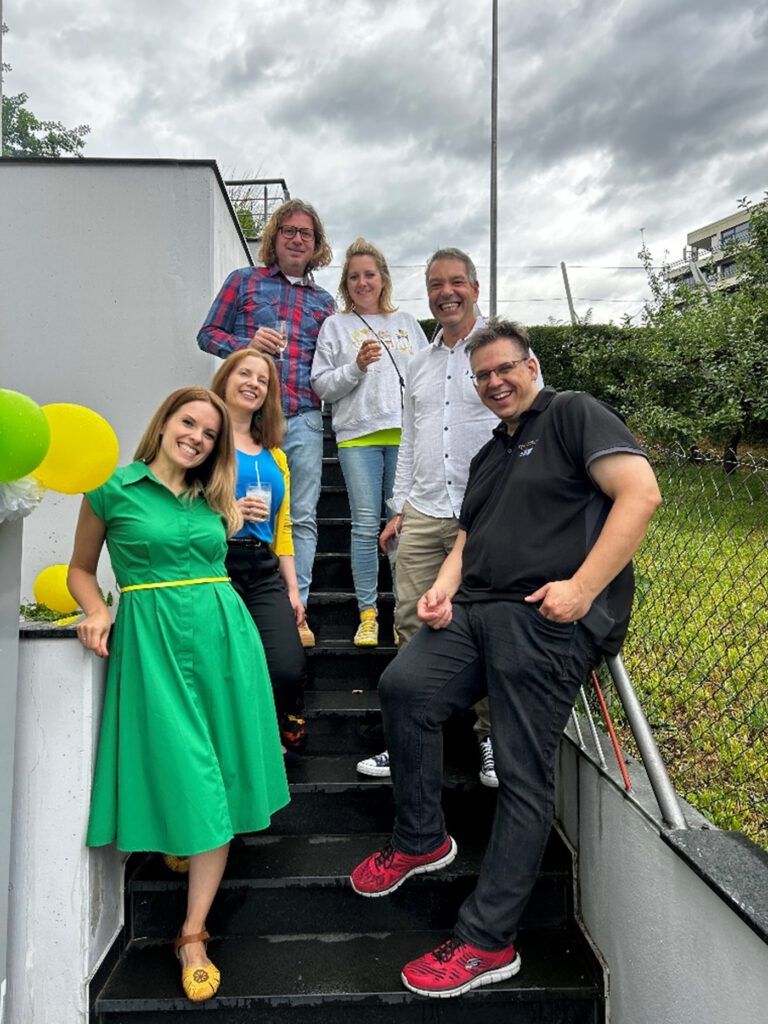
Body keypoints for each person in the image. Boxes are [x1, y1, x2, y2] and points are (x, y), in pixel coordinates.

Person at [349, 320, 662, 998]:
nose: (494, 382)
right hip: (475, 613)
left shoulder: (573, 413)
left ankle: (488, 941)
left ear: (531, 367)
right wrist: (441, 590)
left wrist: (583, 589)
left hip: (546, 617)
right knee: (405, 688)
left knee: (521, 770)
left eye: (504, 369)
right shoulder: (491, 453)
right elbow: (468, 540)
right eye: (482, 375)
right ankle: (422, 838)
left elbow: (640, 494)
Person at [68, 387, 289, 1004]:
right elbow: (81, 568)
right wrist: (96, 611)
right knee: (192, 771)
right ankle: (186, 876)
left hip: (223, 639)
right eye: (188, 422)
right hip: (154, 644)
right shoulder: (111, 489)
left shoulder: (214, 496)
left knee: (217, 768)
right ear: (164, 422)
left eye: (210, 433)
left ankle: (191, 933)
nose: (197, 437)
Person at [355, 247, 542, 786]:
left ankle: (491, 738)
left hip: (488, 513)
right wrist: (398, 507)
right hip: (425, 509)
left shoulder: (505, 354)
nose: (446, 293)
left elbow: (534, 421)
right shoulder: (420, 361)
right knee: (411, 620)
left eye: (456, 282)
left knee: (487, 624)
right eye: (436, 285)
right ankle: (412, 735)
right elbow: (411, 439)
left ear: (475, 289)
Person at [197, 198, 335, 647]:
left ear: (316, 244)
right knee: (220, 502)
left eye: (306, 233)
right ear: (274, 237)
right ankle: (226, 603)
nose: (297, 239)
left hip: (304, 417)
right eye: (289, 231)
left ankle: (297, 612)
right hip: (245, 421)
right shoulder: (244, 280)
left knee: (300, 517)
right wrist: (246, 343)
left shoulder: (325, 302)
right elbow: (206, 334)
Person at [311, 238, 427, 646]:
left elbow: (426, 379)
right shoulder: (335, 325)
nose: (362, 282)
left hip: (405, 437)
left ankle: (403, 614)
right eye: (354, 276)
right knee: (364, 525)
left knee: (403, 527)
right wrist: (356, 367)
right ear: (345, 283)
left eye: (369, 275)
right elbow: (322, 386)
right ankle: (368, 614)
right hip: (356, 436)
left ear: (383, 279)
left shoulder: (407, 323)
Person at [211, 349, 308, 750]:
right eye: (244, 374)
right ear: (225, 380)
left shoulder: (275, 455)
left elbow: (283, 527)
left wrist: (293, 588)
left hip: (263, 565)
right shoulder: (206, 442)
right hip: (216, 564)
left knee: (287, 666)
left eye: (263, 380)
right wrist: (229, 513)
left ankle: (277, 728)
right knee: (225, 665)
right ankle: (241, 746)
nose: (253, 383)